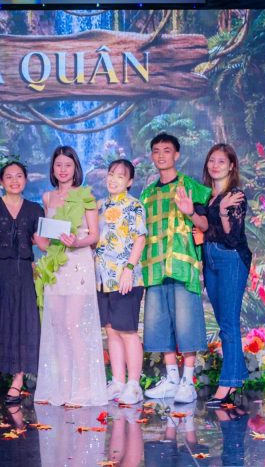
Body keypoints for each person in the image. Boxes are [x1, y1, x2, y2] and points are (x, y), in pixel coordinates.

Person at [140, 133, 210, 404]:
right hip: (155, 267)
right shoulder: (147, 194)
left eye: (166, 150)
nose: (161, 155)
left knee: (186, 321)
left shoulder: (189, 186)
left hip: (182, 265)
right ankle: (171, 379)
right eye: (156, 150)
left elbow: (205, 225)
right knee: (160, 323)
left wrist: (190, 212)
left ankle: (187, 381)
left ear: (177, 154)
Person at [35, 146, 108, 407]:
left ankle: (84, 387)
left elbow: (94, 236)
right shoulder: (47, 197)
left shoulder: (86, 195)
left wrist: (76, 242)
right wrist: (41, 243)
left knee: (72, 325)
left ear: (75, 167)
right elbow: (48, 237)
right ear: (53, 169)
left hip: (78, 263)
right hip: (56, 266)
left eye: (68, 165)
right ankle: (64, 387)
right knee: (58, 326)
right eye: (58, 165)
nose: (63, 170)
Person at [0, 161, 44, 405]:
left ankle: (18, 380)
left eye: (19, 176)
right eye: (9, 177)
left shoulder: (35, 209)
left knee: (22, 321)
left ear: (25, 180)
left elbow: (42, 244)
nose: (14, 180)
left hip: (22, 272)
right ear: (1, 181)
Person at [195, 143, 250, 408]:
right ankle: (237, 376)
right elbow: (204, 228)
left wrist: (224, 211)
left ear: (231, 166)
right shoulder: (208, 196)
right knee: (223, 322)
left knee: (229, 323)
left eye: (221, 161)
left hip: (230, 259)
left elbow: (232, 237)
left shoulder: (235, 196)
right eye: (211, 160)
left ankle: (226, 384)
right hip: (210, 259)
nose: (215, 165)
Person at [95, 158, 147, 405]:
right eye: (111, 174)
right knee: (111, 330)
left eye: (120, 176)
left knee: (127, 331)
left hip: (126, 278)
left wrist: (129, 269)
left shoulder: (134, 205)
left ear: (129, 181)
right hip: (102, 278)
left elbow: (140, 238)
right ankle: (117, 381)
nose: (113, 179)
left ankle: (134, 384)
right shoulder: (100, 206)